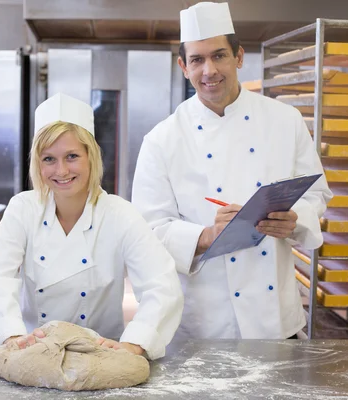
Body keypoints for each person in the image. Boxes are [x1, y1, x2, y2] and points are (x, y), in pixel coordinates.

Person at [131, 2, 333, 341]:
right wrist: (208, 235)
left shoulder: (285, 121)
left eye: (219, 55)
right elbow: (148, 231)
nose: (209, 70)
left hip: (275, 320)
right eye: (197, 59)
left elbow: (317, 195)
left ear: (239, 57)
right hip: (205, 325)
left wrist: (294, 218)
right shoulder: (161, 140)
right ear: (183, 66)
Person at [0, 93, 183, 360]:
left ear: (90, 157)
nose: (61, 171)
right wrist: (12, 337)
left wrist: (135, 343)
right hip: (34, 353)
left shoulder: (120, 215)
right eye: (49, 159)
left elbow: (161, 285)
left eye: (71, 156)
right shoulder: (23, 209)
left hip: (102, 355)